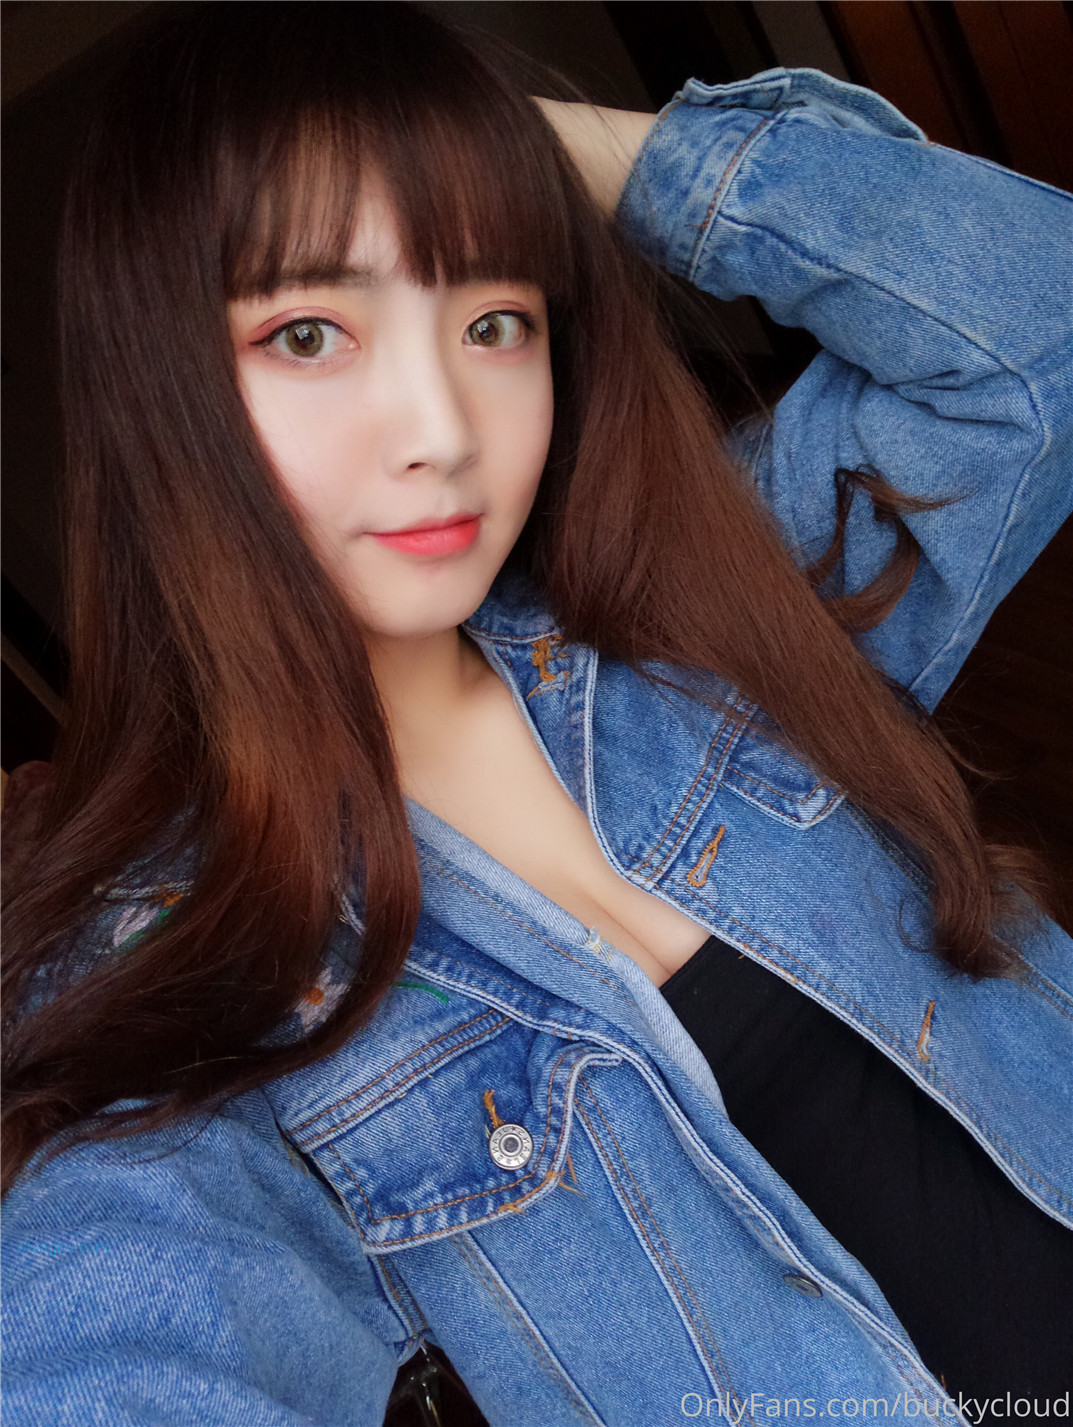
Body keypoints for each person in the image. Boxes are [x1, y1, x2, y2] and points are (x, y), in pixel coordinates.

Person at [2, 4, 1071, 1424]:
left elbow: (1037, 324)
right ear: (157, 385)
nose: (442, 428)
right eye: (310, 333)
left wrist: (522, 154)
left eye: (493, 319)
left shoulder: (710, 616)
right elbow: (114, 1328)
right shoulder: (183, 956)